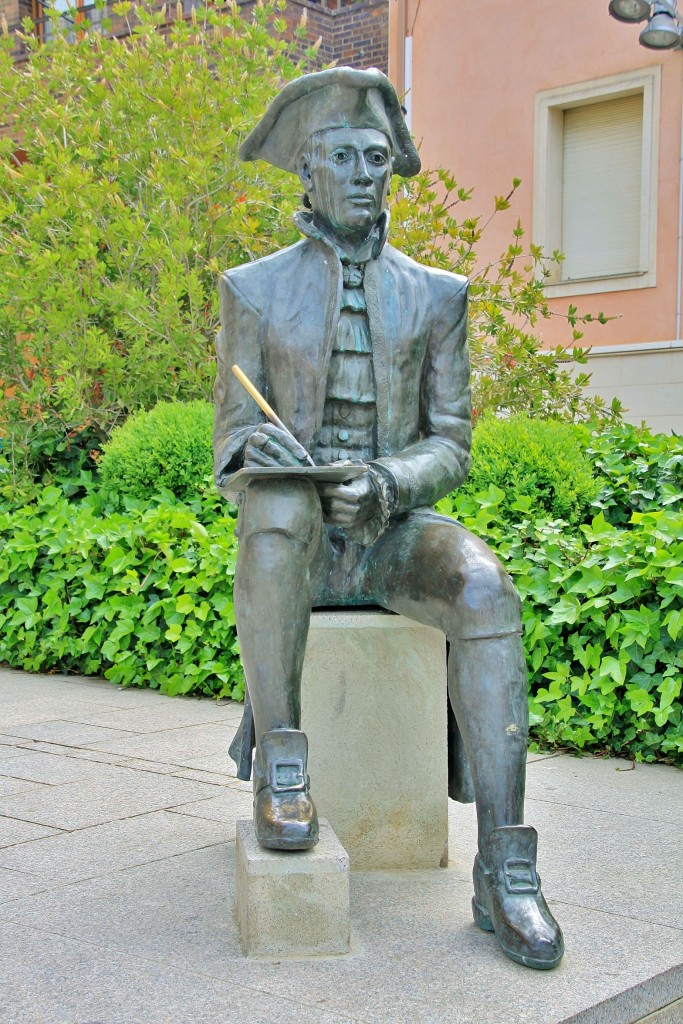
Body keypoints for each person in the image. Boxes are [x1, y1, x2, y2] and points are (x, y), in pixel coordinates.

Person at [213, 67, 563, 971]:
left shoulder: (438, 294)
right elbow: (232, 441)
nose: (366, 173)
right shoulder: (251, 291)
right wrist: (264, 455)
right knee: (276, 509)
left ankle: (505, 870)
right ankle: (283, 775)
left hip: (392, 535)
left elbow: (451, 441)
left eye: (378, 158)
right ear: (308, 171)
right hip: (293, 543)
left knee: (484, 585)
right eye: (345, 156)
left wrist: (386, 483)